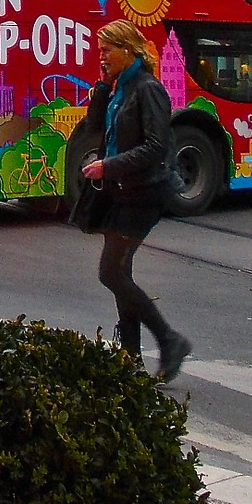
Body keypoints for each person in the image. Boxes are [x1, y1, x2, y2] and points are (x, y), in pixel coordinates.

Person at [77, 19, 191, 382]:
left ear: (128, 50)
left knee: (110, 272)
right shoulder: (119, 90)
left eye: (107, 50)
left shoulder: (148, 89)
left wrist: (108, 166)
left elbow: (156, 147)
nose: (102, 56)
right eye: (99, 51)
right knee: (118, 273)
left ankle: (169, 340)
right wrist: (101, 86)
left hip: (144, 193)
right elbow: (94, 127)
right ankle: (129, 358)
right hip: (122, 192)